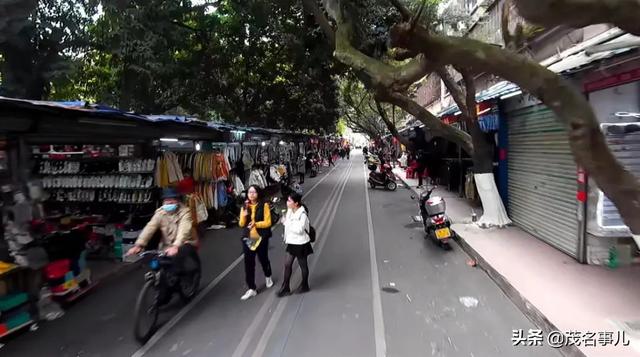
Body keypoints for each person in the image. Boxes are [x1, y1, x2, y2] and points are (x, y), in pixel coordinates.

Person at [127, 188, 200, 274]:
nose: (168, 203)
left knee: (177, 263)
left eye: (171, 201)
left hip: (186, 242)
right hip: (167, 244)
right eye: (166, 201)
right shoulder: (160, 213)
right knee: (158, 262)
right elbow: (150, 227)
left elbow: (184, 230)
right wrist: (139, 245)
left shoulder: (185, 212)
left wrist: (176, 246)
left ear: (177, 201)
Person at [238, 185, 274, 300]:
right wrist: (243, 216)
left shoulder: (264, 205)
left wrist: (256, 224)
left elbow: (268, 222)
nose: (251, 194)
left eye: (254, 192)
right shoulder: (244, 206)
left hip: (261, 237)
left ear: (258, 193)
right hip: (249, 237)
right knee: (249, 262)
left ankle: (268, 276)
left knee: (263, 258)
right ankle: (251, 288)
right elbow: (241, 224)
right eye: (249, 192)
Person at [277, 192, 313, 297]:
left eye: (289, 201)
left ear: (296, 203)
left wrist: (285, 222)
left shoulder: (302, 214)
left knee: (303, 265)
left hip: (301, 243)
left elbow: (299, 230)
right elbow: (288, 226)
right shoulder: (290, 211)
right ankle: (285, 287)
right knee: (287, 264)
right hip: (292, 242)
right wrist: (285, 235)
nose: (287, 202)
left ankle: (305, 285)